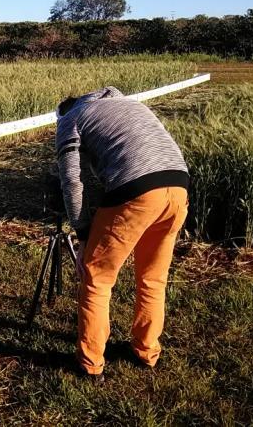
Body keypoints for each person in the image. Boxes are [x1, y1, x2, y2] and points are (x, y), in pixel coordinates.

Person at [55, 86, 189, 381]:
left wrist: (83, 234)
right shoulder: (130, 104)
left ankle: (90, 363)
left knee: (96, 278)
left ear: (62, 110)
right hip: (178, 186)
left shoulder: (69, 118)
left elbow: (71, 182)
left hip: (135, 190)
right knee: (153, 277)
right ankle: (146, 350)